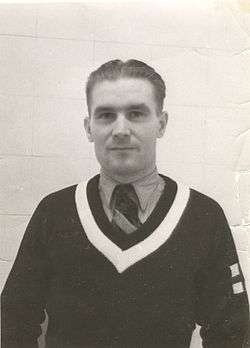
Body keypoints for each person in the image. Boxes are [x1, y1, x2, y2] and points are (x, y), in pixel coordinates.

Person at [1, 59, 249, 348]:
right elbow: (14, 319)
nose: (120, 129)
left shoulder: (203, 216)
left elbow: (231, 330)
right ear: (88, 127)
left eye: (136, 114)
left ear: (161, 123)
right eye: (106, 115)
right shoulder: (55, 212)